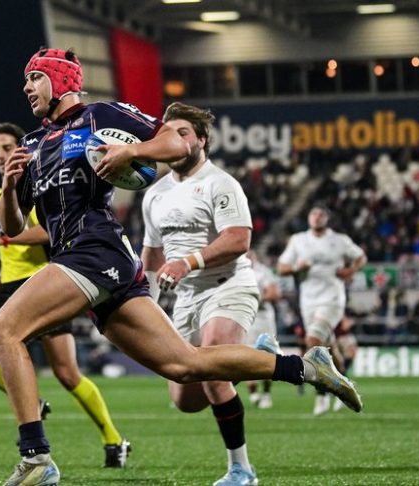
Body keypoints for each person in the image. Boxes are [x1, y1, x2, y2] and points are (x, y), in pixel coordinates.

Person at [0, 47, 362, 486]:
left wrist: (132, 153)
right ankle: (306, 368)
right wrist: (11, 188)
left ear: (60, 80)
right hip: (89, 261)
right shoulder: (32, 146)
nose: (26, 88)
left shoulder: (100, 116)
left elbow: (174, 141)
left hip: (94, 250)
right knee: (185, 367)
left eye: (34, 77)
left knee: (2, 331)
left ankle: (36, 457)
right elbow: (11, 228)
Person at [0, 122, 130, 468]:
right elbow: (10, 248)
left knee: (68, 374)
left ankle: (114, 440)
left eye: (8, 148)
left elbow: (44, 232)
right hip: (10, 286)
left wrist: (6, 239)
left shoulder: (40, 186)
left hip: (46, 282)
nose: (1, 155)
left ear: (21, 149)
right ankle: (32, 403)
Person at [140, 102, 273, 485]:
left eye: (183, 133)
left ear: (201, 140)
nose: (175, 140)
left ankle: (241, 469)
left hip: (227, 286)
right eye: (168, 134)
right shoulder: (155, 193)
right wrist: (144, 303)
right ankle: (252, 359)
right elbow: (152, 253)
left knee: (213, 369)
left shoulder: (221, 183)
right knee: (185, 399)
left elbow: (238, 240)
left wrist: (188, 262)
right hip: (185, 300)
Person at [277, 205, 367, 416]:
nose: (317, 217)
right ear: (308, 218)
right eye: (313, 214)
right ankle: (343, 383)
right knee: (328, 347)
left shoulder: (340, 240)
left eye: (321, 214)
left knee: (313, 341)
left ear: (327, 218)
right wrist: (298, 268)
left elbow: (361, 256)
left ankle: (321, 395)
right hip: (308, 302)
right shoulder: (298, 240)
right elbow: (281, 268)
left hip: (332, 299)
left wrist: (351, 270)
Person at [244, 251, 282, 409]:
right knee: (246, 356)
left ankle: (266, 393)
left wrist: (254, 300)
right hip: (244, 318)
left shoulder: (263, 272)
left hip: (263, 318)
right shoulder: (235, 271)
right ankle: (253, 392)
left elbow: (274, 294)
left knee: (268, 357)